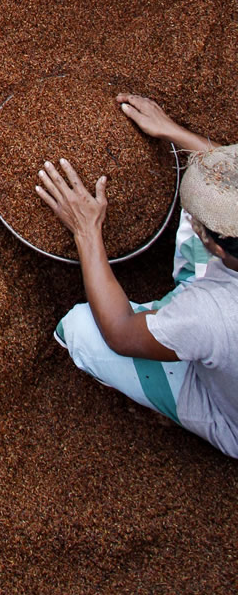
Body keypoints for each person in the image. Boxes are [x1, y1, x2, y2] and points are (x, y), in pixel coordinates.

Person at [38, 94, 238, 459]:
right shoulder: (226, 258)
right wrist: (172, 132)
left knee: (81, 329)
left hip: (226, 410)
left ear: (220, 249)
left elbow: (120, 333)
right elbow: (229, 192)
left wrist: (86, 230)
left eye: (202, 222)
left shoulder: (212, 315)